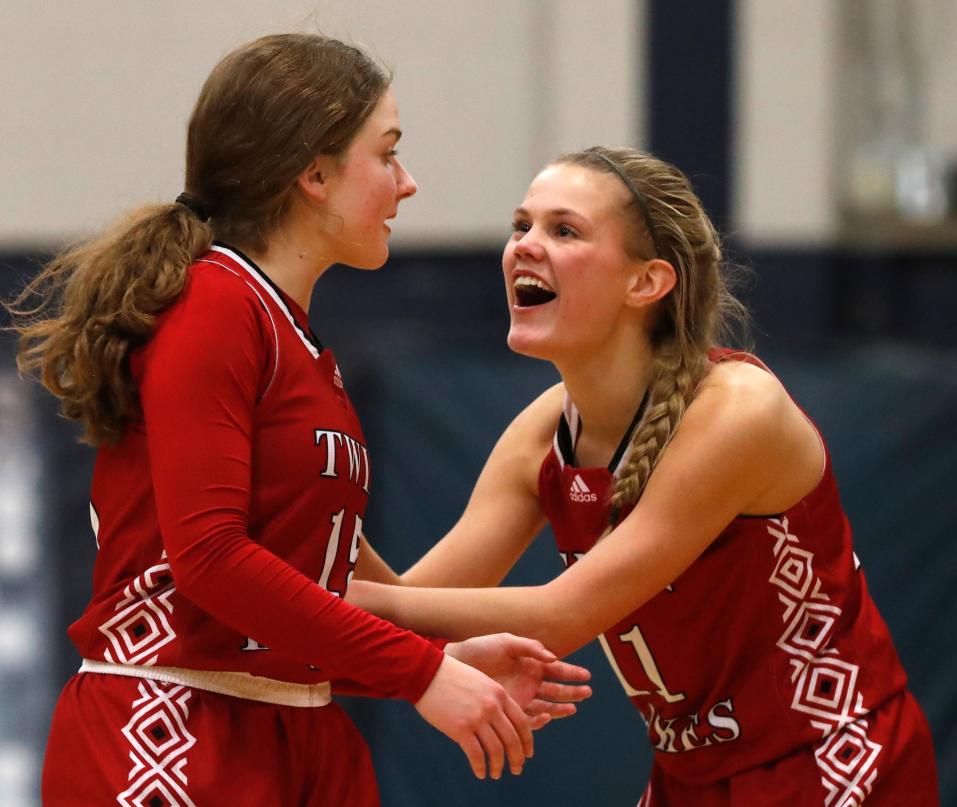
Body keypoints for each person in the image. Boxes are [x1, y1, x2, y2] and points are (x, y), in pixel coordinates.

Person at [9, 33, 591, 806]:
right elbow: (210, 562)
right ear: (313, 173)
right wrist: (421, 669)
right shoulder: (213, 304)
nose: (407, 182)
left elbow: (284, 612)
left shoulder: (294, 335)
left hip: (293, 730)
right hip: (173, 727)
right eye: (387, 153)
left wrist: (435, 654)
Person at [346, 146, 940, 805]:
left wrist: (337, 601)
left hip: (829, 758)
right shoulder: (542, 437)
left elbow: (560, 614)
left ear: (647, 281)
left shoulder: (738, 412)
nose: (525, 247)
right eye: (521, 226)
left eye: (563, 230)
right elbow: (413, 605)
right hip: (689, 778)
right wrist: (326, 509)